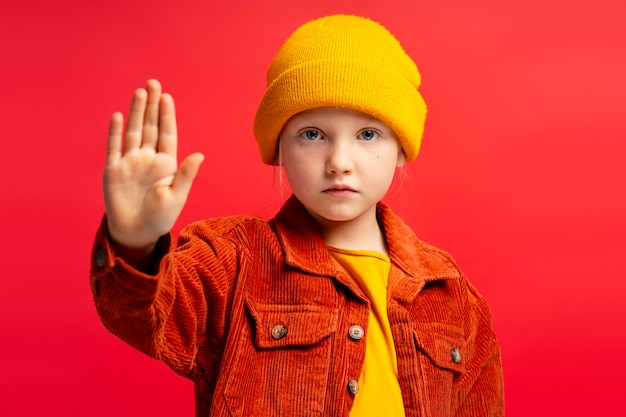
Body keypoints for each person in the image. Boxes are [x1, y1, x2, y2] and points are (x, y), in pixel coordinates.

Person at [90, 14, 504, 417]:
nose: (339, 161)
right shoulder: (233, 260)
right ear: (280, 149)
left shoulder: (452, 295)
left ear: (400, 149)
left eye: (368, 134)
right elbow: (148, 321)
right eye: (312, 134)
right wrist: (135, 241)